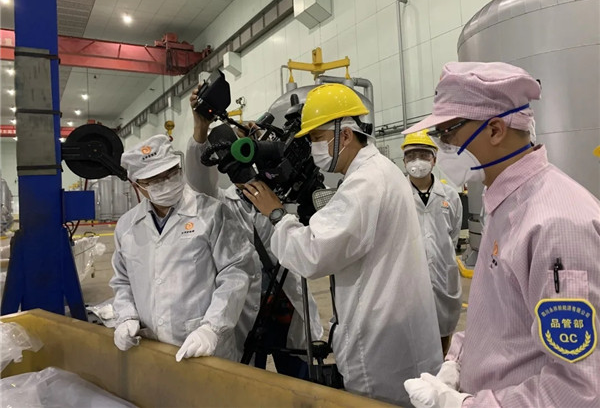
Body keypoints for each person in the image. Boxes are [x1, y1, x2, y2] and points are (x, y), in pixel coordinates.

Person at [403, 62, 600, 407]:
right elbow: (501, 317)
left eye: (448, 133)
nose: (442, 146)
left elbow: (579, 389)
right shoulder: (504, 202)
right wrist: (458, 360)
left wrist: (464, 405)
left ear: (495, 130)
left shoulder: (554, 225)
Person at [244, 83, 442, 405]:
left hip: (380, 351)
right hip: (397, 335)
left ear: (346, 135)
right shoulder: (378, 171)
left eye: (317, 138)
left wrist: (277, 215)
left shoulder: (365, 183)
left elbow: (313, 254)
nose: (313, 149)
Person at [185, 88, 323, 379]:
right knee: (249, 379)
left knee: (300, 378)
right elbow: (198, 182)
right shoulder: (221, 202)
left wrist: (263, 146)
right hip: (247, 310)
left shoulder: (284, 193)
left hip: (286, 305)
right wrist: (201, 128)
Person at [110, 134, 261, 363]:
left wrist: (212, 328)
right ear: (137, 185)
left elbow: (236, 273)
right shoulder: (127, 226)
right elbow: (122, 280)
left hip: (204, 343)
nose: (166, 182)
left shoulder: (212, 213)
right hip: (151, 344)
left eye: (170, 173)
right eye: (154, 180)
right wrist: (126, 316)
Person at [402, 130, 463, 356]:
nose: (417, 161)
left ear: (434, 159)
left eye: (423, 155)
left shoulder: (450, 195)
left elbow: (453, 234)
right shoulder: (397, 194)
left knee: (443, 330)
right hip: (408, 278)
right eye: (411, 155)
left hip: (443, 276)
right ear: (404, 161)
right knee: (411, 337)